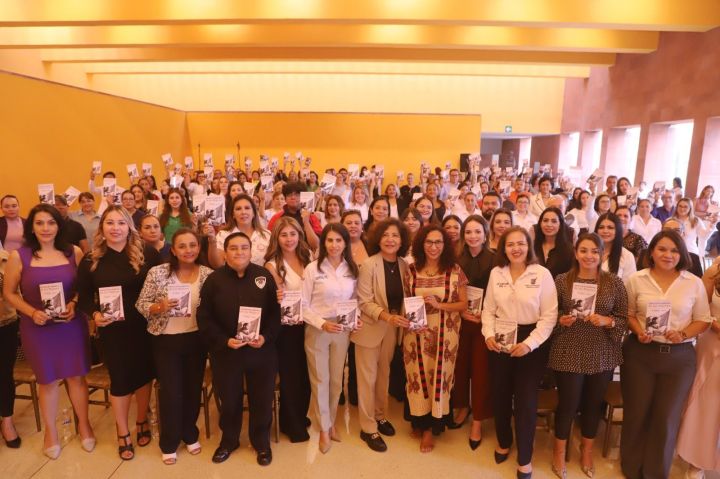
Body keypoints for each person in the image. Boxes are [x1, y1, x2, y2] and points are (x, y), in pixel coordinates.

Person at [3, 204, 94, 459]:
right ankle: (50, 432)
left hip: (70, 325)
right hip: (38, 327)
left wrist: (74, 303)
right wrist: (31, 312)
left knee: (76, 377)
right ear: (31, 227)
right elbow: (9, 293)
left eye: (51, 222)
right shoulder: (19, 256)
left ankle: (84, 425)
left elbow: (84, 287)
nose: (46, 228)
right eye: (40, 223)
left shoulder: (73, 252)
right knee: (47, 380)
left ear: (59, 225)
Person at [621, 230, 712, 479]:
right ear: (651, 252)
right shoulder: (636, 279)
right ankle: (631, 468)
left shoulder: (693, 282)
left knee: (666, 417)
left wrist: (682, 334)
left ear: (681, 254)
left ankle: (655, 472)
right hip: (640, 354)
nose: (668, 255)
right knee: (636, 412)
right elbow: (628, 314)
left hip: (678, 359)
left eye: (674, 250)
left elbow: (703, 320)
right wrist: (639, 330)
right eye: (662, 249)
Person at [77, 206, 162, 460]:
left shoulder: (147, 252)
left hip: (144, 326)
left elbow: (161, 285)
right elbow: (83, 297)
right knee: (120, 379)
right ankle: (123, 431)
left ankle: (141, 419)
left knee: (144, 375)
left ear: (129, 227)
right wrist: (95, 314)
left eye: (121, 223)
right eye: (110, 223)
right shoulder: (91, 259)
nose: (115, 228)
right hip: (112, 329)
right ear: (102, 227)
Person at [196, 232, 280, 466]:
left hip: (261, 351)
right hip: (227, 353)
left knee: (261, 399)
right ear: (225, 253)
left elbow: (275, 313)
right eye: (233, 248)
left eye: (244, 247)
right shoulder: (213, 280)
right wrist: (224, 341)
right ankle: (229, 441)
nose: (239, 252)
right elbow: (204, 317)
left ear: (251, 251)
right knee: (230, 400)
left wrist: (265, 337)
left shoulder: (264, 276)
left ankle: (261, 442)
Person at [549, 233, 628, 478]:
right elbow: (549, 314)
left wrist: (607, 321)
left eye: (594, 251)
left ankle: (587, 451)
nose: (589, 256)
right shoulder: (562, 280)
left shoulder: (614, 282)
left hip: (601, 352)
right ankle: (559, 452)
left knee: (593, 405)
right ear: (576, 253)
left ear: (602, 254)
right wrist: (561, 319)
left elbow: (623, 319)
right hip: (568, 349)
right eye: (583, 250)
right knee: (568, 404)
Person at [482, 226, 558, 479]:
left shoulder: (542, 274)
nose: (516, 248)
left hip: (531, 341)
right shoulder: (496, 273)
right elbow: (488, 310)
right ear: (503, 248)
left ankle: (525, 457)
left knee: (526, 400)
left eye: (521, 243)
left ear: (529, 246)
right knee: (500, 394)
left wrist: (529, 343)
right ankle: (503, 441)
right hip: (500, 337)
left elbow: (549, 316)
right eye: (510, 244)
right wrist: (488, 334)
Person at [135, 228, 212, 465]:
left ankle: (189, 433)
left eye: (193, 245)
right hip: (166, 339)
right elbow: (141, 304)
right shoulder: (158, 272)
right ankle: (169, 441)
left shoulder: (208, 274)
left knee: (192, 389)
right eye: (182, 246)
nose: (188, 250)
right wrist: (160, 307)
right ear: (174, 250)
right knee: (171, 391)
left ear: (199, 248)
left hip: (196, 339)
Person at [403, 225, 468, 453]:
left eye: (438, 242)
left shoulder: (455, 270)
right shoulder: (411, 270)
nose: (433, 247)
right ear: (421, 244)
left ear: (445, 244)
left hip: (445, 333)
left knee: (439, 378)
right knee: (417, 378)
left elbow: (463, 304)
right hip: (416, 333)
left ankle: (430, 429)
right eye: (429, 242)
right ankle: (418, 421)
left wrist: (439, 305)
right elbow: (405, 301)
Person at [352, 219, 410, 452]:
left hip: (392, 329)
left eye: (395, 235)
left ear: (402, 240)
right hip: (370, 328)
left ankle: (380, 415)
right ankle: (367, 427)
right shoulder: (369, 265)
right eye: (385, 235)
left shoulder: (404, 265)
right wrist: (387, 317)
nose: (390, 240)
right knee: (367, 379)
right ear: (378, 239)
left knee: (384, 375)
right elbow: (364, 301)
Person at [302, 224, 361, 454]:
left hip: (342, 329)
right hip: (318, 327)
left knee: (337, 380)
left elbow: (354, 300)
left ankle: (332, 421)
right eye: (329, 240)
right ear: (323, 243)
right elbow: (303, 305)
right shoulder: (312, 269)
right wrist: (322, 323)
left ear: (345, 243)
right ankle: (324, 429)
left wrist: (355, 318)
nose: (334, 245)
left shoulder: (351, 269)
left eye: (339, 240)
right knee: (320, 379)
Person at [263, 217, 313, 443]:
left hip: (310, 322)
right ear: (277, 238)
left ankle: (300, 415)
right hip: (288, 327)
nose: (289, 239)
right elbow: (274, 299)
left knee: (306, 374)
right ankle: (292, 424)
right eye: (284, 235)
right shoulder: (272, 264)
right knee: (291, 375)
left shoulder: (308, 256)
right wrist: (277, 295)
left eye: (293, 234)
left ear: (299, 235)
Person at [449, 215, 494, 449]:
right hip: (460, 319)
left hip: (485, 322)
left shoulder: (496, 260)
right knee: (460, 366)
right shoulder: (456, 259)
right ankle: (462, 406)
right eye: (468, 232)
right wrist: (460, 311)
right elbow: (450, 290)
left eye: (477, 232)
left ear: (485, 234)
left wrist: (484, 313)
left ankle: (477, 419)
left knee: (480, 371)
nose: (473, 236)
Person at [676, 257, 720, 478]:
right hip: (713, 345)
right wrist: (715, 324)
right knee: (707, 405)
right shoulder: (715, 270)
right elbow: (701, 311)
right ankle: (697, 460)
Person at [210, 194, 270, 268]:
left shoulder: (267, 235)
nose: (243, 212)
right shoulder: (223, 235)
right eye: (238, 209)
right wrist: (212, 241)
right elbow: (217, 265)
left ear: (254, 213)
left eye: (247, 208)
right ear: (233, 214)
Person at [0, 249, 20, 448]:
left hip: (5, 324)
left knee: (4, 375)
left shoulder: (6, 258)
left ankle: (7, 421)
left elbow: (15, 293)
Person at [267, 182, 322, 250]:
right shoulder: (276, 218)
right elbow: (270, 241)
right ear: (285, 198)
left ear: (303, 197)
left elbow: (316, 245)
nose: (293, 197)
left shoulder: (312, 217)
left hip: (307, 254)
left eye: (297, 194)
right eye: (289, 195)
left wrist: (306, 222)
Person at [594, 212, 637, 284]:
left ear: (618, 230)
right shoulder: (588, 252)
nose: (605, 231)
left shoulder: (627, 256)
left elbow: (629, 286)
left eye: (610, 228)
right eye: (601, 227)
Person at [533, 207, 574, 278]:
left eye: (554, 221)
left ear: (560, 225)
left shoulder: (569, 250)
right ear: (540, 223)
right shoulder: (532, 246)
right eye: (545, 220)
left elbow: (571, 276)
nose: (549, 224)